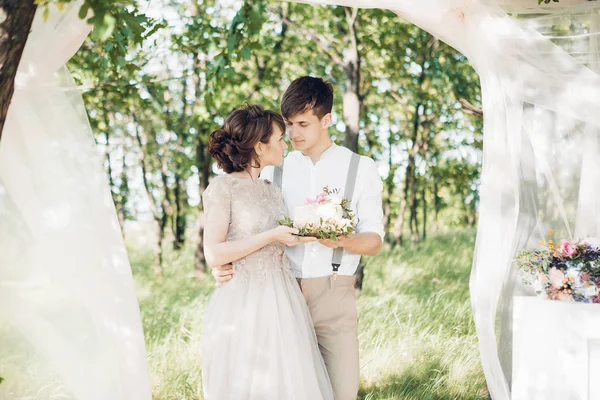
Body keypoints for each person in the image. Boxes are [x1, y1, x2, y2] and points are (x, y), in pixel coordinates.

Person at [212, 76, 385, 400]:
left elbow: (374, 241)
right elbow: (238, 224)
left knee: (342, 392)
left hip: (334, 292)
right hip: (278, 293)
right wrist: (223, 265)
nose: (293, 133)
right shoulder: (271, 166)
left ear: (327, 120)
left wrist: (342, 241)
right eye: (289, 124)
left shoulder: (360, 168)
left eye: (303, 123)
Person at [201, 104, 333, 400]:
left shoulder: (272, 189)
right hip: (244, 301)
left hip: (283, 297)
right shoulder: (224, 188)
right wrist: (271, 235)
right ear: (260, 148)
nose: (285, 144)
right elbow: (214, 252)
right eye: (280, 139)